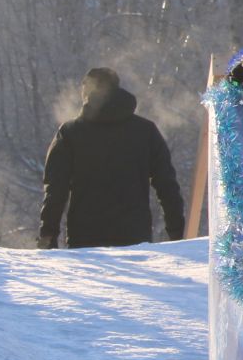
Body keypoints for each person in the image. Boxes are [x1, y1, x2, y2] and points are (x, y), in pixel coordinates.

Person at [38, 67, 185, 249]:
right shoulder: (146, 132)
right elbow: (167, 185)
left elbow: (55, 190)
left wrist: (48, 237)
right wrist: (177, 233)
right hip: (135, 238)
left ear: (87, 90)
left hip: (84, 239)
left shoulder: (71, 133)